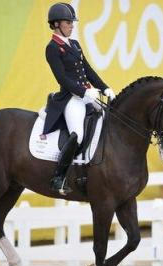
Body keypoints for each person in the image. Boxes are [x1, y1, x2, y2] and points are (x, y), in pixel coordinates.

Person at [43, 3, 116, 195]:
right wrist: (83, 93)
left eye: (72, 23)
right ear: (57, 24)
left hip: (87, 95)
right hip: (71, 99)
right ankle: (58, 177)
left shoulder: (74, 44)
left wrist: (104, 87)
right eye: (68, 22)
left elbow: (88, 71)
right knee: (78, 134)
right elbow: (62, 78)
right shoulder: (52, 48)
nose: (72, 26)